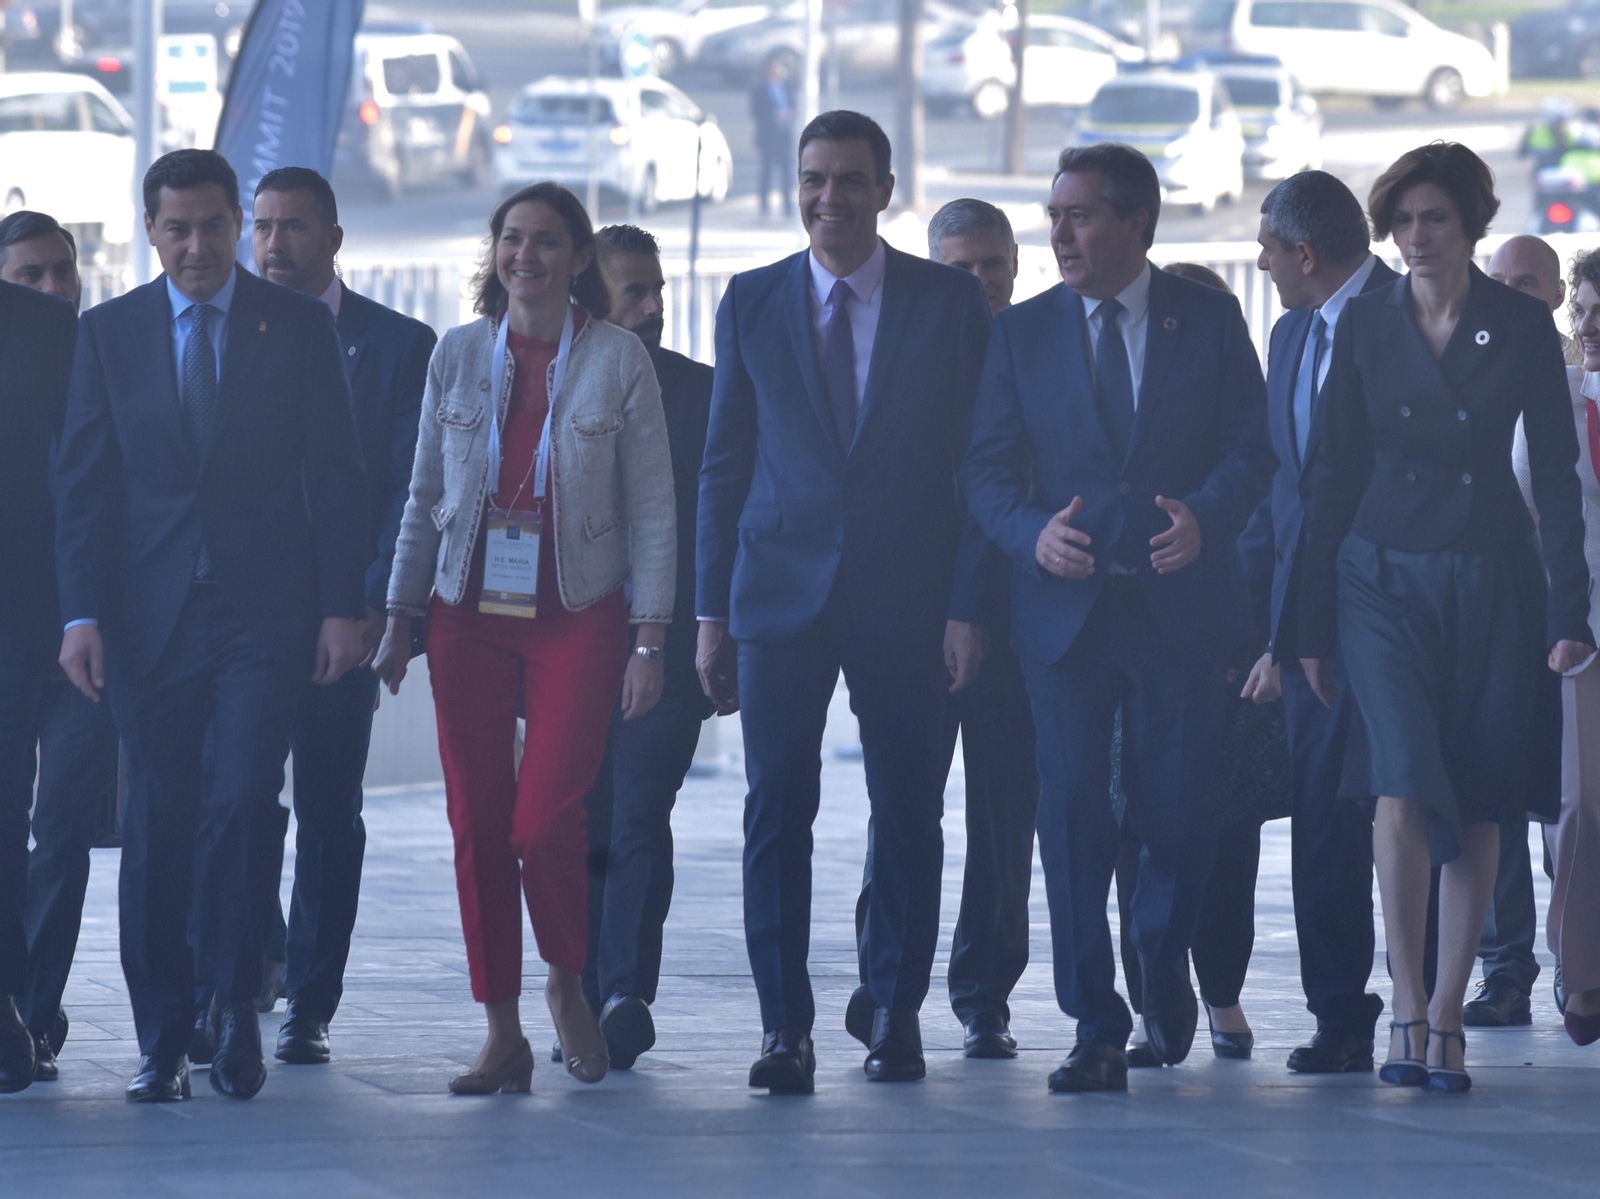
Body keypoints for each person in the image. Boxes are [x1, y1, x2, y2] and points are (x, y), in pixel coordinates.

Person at [52, 149, 369, 1103]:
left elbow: (339, 475)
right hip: (147, 622)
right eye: (177, 228)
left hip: (260, 618)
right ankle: (161, 1033)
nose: (197, 245)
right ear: (152, 231)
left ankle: (235, 1004)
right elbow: (84, 485)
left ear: (240, 224)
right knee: (157, 820)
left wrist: (340, 607)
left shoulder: (296, 328)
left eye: (214, 226)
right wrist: (81, 615)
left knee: (238, 804)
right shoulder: (109, 333)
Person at [963, 142, 1274, 1094]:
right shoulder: (1022, 334)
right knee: (1069, 823)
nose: (1059, 233)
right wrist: (1030, 538)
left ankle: (1156, 962)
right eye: (1054, 215)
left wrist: (1208, 518)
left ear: (1137, 223)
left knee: (1177, 817)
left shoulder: (1211, 320)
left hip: (1179, 610)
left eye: (1081, 215)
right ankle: (1095, 1023)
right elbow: (986, 472)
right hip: (1064, 616)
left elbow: (1252, 452)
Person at [697, 110, 992, 1093]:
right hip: (777, 591)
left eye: (850, 180)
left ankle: (896, 1013)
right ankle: (784, 1028)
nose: (830, 197)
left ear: (885, 188)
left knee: (907, 808)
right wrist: (709, 612)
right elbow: (723, 461)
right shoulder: (749, 299)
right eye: (813, 178)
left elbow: (979, 466)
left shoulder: (948, 301)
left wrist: (968, 604)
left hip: (911, 596)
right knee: (776, 805)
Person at [1298, 142, 1593, 1094]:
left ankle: (1454, 1014)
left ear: (1470, 224)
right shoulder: (1366, 324)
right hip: (1379, 577)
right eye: (1404, 222)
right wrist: (1304, 623)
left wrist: (1570, 613)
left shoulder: (1517, 323)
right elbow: (1330, 474)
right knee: (1398, 785)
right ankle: (1407, 1003)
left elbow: (1554, 473)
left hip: (1491, 579)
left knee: (1478, 796)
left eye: (1435, 220)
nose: (1416, 238)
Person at [373, 183, 676, 1093]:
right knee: (476, 824)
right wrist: (400, 617)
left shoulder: (619, 359)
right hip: (466, 611)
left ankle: (565, 981)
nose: (526, 257)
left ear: (578, 257)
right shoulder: (459, 355)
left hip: (578, 615)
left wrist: (650, 638)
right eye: (513, 239)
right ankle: (500, 1029)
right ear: (495, 250)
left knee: (545, 820)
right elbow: (425, 493)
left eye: (547, 242)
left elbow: (656, 507)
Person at [246, 167, 437, 1066]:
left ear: (333, 238)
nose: (274, 245)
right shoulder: (228, 329)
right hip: (237, 623)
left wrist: (370, 603)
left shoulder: (400, 347)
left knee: (328, 808)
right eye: (264, 227)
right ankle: (251, 962)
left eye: (292, 228)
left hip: (345, 620)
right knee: (237, 802)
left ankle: (311, 1001)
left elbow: (410, 488)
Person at [1111, 259, 1291, 1068]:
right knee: (1131, 829)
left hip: (1230, 659)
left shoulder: (1249, 439)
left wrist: (1261, 645)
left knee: (1225, 840)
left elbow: (1274, 537)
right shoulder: (1136, 423)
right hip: (1132, 656)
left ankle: (1220, 989)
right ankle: (1153, 999)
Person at [1239, 170, 1397, 1074]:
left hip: (1396, 615)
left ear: (1303, 252)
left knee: (1414, 813)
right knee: (1325, 826)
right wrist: (1273, 629)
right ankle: (1341, 1009)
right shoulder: (1292, 332)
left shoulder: (1405, 318)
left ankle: (1424, 998)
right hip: (1306, 636)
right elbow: (1284, 490)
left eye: (1266, 248)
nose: (1261, 263)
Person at [576, 223, 713, 1070]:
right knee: (580, 817)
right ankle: (582, 990)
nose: (656, 307)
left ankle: (623, 990)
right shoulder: (547, 385)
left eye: (659, 288)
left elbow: (722, 518)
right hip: (570, 648)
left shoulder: (702, 392)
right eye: (637, 292)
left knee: (637, 810)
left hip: (665, 646)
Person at [0, 211, 120, 1085]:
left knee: (63, 828)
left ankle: (32, 1010)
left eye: (59, 271)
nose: (49, 288)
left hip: (82, 628)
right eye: (28, 273)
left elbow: (101, 490)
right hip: (17, 627)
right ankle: (17, 1011)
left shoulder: (86, 345)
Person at [925, 198, 1039, 1059]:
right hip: (917, 616)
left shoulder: (1043, 351)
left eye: (989, 265)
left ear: (1013, 265)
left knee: (1004, 816)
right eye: (957, 268)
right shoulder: (904, 356)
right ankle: (882, 979)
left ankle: (984, 994)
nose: (976, 283)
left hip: (1020, 617)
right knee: (905, 805)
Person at [1517, 250, 1600, 1045]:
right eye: (1582, 308)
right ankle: (1581, 972)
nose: (1588, 323)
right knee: (1579, 803)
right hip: (1580, 623)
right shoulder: (1560, 397)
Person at [0, 277, 77, 1094]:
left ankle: (6, 1000)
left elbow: (84, 471)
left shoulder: (48, 330)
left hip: (18, 616)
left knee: (6, 815)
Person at [750, 56, 796, 218]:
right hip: (768, 137)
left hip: (784, 136)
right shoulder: (760, 89)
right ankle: (764, 206)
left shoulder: (786, 87)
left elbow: (792, 106)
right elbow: (756, 112)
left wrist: (788, 114)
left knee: (787, 173)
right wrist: (774, 116)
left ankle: (787, 206)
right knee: (767, 172)